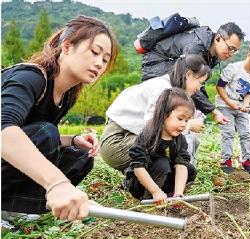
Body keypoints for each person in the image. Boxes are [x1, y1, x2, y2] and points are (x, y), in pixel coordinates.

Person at [1, 15, 118, 221]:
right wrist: (57, 183)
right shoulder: (32, 77)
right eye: (94, 52)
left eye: (105, 60)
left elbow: (31, 133)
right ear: (66, 47)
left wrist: (72, 140)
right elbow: (4, 128)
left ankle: (17, 208)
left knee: (80, 157)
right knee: (47, 132)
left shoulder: (67, 96)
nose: (99, 64)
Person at [100, 55, 211, 172]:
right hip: (117, 143)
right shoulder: (162, 88)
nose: (200, 88)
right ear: (188, 74)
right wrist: (189, 125)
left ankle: (141, 177)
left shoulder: (168, 89)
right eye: (200, 82)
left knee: (176, 145)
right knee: (168, 143)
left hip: (129, 139)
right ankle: (142, 179)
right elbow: (154, 130)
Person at [141, 22, 245, 124]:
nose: (231, 53)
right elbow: (189, 82)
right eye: (230, 48)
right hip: (156, 65)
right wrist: (212, 110)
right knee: (179, 95)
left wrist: (212, 110)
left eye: (235, 50)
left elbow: (198, 83)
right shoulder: (195, 47)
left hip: (170, 68)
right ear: (218, 38)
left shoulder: (212, 55)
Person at [124, 88, 196, 203]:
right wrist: (155, 191)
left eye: (187, 121)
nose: (184, 125)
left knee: (189, 169)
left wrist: (178, 192)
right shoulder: (148, 136)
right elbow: (138, 168)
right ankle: (149, 198)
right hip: (141, 183)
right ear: (163, 114)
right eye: (180, 119)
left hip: (163, 176)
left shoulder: (179, 139)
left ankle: (170, 195)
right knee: (162, 163)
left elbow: (181, 165)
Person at [216, 39, 250, 175]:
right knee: (228, 132)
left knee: (246, 133)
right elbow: (219, 87)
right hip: (225, 106)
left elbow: (249, 93)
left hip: (240, 107)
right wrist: (229, 102)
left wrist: (246, 104)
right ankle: (226, 160)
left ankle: (246, 161)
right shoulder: (234, 69)